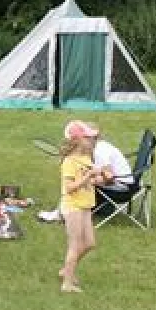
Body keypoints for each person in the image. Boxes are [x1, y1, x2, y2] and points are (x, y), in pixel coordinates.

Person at [38, 124, 133, 222]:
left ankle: (62, 214)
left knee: (78, 186)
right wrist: (92, 177)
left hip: (122, 189)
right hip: (125, 184)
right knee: (79, 182)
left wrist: (92, 180)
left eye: (88, 137)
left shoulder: (100, 151)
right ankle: (61, 212)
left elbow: (109, 179)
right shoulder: (96, 148)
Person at [57, 120, 101, 293]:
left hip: (85, 205)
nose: (91, 140)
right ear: (77, 140)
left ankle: (66, 270)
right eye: (87, 137)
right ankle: (67, 284)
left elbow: (88, 181)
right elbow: (70, 188)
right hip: (73, 206)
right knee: (74, 245)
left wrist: (97, 179)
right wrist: (88, 175)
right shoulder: (69, 162)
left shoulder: (85, 158)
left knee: (90, 243)